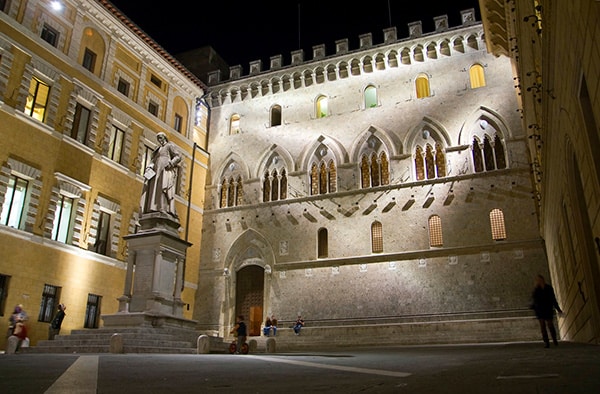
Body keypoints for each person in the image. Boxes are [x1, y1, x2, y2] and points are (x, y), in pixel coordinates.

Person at [140, 132, 182, 219]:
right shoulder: (157, 149)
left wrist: (171, 163)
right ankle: (154, 207)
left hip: (165, 170)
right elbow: (153, 160)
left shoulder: (169, 146)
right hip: (156, 171)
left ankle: (163, 207)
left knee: (163, 188)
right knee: (155, 189)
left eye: (161, 138)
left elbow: (178, 156)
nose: (160, 140)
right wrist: (149, 167)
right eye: (158, 138)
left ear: (165, 138)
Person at [531, 274, 563, 348]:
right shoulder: (536, 290)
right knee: (542, 327)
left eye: (539, 280)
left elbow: (553, 299)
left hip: (548, 309)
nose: (538, 281)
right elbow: (535, 301)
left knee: (550, 325)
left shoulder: (549, 288)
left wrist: (558, 309)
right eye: (537, 280)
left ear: (542, 280)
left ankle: (554, 339)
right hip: (540, 310)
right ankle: (546, 342)